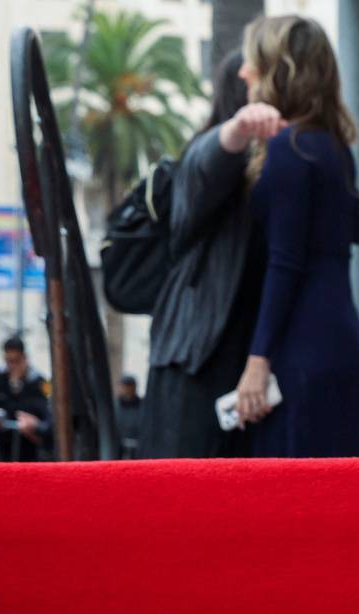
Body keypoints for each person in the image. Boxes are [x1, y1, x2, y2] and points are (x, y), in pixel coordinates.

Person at [232, 16, 359, 458]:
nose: (243, 74)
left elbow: (285, 262)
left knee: (291, 507)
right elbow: (358, 230)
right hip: (342, 341)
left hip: (300, 352)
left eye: (253, 63)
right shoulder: (333, 147)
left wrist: (257, 361)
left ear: (279, 71)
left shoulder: (288, 149)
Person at [142, 53, 271, 460]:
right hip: (198, 358)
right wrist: (239, 128)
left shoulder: (274, 157)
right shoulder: (212, 151)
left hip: (224, 352)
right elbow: (206, 167)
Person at [0, 335, 52, 462]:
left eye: (16, 361)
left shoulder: (40, 383)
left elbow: (50, 418)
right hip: (3, 447)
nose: (13, 366)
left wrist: (36, 425)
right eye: (9, 361)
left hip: (31, 450)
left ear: (24, 358)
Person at [114, 374, 146, 456]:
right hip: (118, 448)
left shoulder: (144, 405)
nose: (127, 389)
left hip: (139, 447)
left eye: (130, 385)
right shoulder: (113, 406)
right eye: (125, 386)